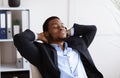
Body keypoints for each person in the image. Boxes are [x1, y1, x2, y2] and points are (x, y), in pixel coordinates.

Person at [13, 16, 103, 78]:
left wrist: (66, 32)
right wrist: (39, 36)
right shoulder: (42, 53)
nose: (61, 28)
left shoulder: (78, 43)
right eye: (55, 26)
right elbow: (19, 39)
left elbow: (92, 29)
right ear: (47, 33)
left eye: (63, 25)